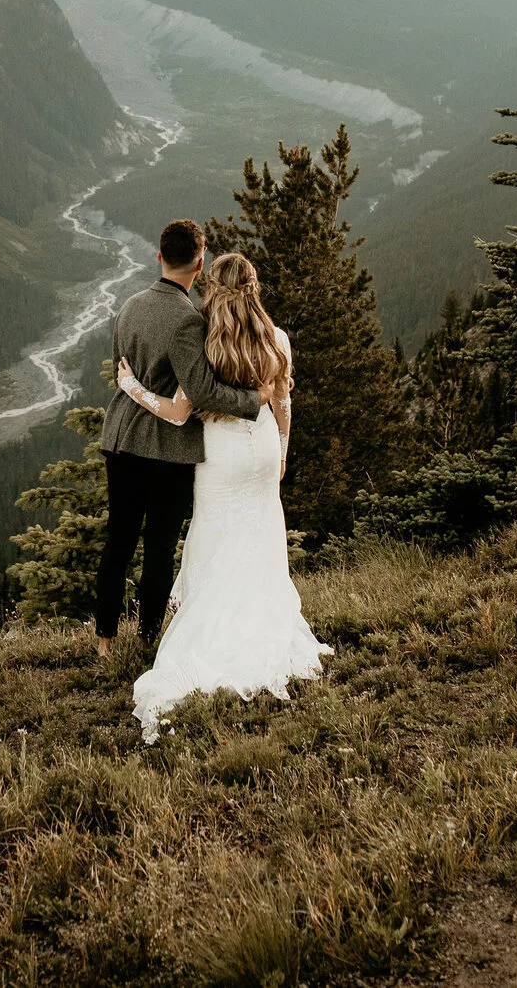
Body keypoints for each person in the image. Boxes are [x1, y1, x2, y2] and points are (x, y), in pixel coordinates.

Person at [113, 251, 330, 742]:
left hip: (221, 456)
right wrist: (280, 454)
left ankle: (214, 634)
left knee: (214, 539)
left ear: (214, 289)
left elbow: (175, 414)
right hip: (259, 451)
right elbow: (283, 405)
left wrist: (131, 388)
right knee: (259, 537)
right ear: (254, 288)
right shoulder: (278, 341)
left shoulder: (207, 342)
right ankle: (265, 626)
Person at [94, 220, 268, 662]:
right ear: (200, 262)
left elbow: (121, 370)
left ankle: (104, 640)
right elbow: (204, 392)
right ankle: (148, 638)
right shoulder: (189, 321)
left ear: (159, 256)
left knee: (118, 541)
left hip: (119, 439)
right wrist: (255, 398)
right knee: (159, 546)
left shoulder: (129, 305)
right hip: (164, 449)